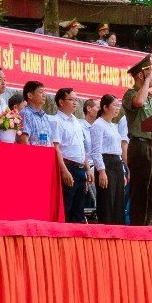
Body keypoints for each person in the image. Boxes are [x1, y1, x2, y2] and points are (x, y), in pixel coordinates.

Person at [123, 59, 152, 226]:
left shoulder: (151, 98)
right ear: (140, 75)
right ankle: (137, 228)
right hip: (139, 146)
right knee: (140, 191)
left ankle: (148, 226)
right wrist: (147, 81)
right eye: (150, 73)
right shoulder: (130, 94)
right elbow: (139, 102)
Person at [53, 89, 92, 220]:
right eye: (71, 100)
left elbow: (82, 147)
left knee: (79, 210)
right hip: (68, 168)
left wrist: (87, 169)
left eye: (76, 100)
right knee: (67, 207)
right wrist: (64, 171)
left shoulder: (76, 121)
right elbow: (56, 148)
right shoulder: (56, 121)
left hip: (81, 169)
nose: (75, 103)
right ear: (61, 102)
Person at [90, 93, 128, 223]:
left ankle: (119, 230)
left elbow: (118, 151)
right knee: (107, 200)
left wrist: (122, 172)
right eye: (114, 105)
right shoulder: (98, 125)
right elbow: (96, 151)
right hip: (105, 164)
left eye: (118, 106)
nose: (117, 108)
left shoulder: (113, 126)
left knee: (118, 201)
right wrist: (101, 170)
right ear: (105, 107)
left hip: (116, 164)